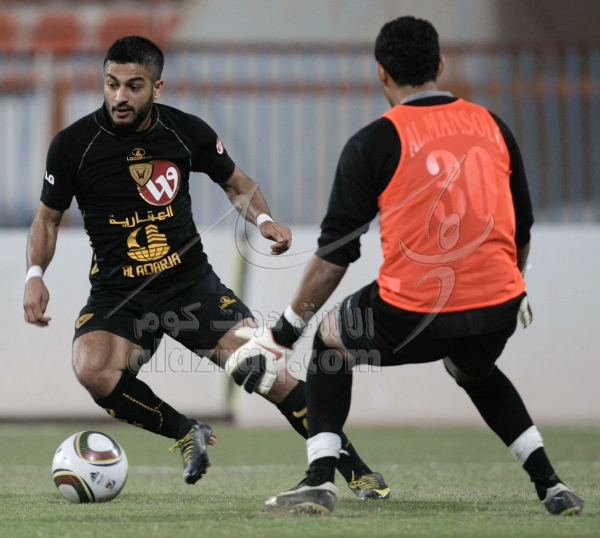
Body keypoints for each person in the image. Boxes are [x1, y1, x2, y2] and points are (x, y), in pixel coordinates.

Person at [231, 17, 584, 515]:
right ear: (440, 63)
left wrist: (282, 336)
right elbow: (521, 228)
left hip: (413, 312)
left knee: (330, 341)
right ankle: (551, 484)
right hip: (498, 306)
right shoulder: (494, 126)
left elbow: (335, 257)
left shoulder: (374, 142)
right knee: (474, 367)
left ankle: (319, 480)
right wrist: (515, 285)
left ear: (381, 72)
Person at [22, 35, 389, 499]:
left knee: (264, 371)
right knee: (91, 367)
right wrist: (35, 275)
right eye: (112, 84)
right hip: (120, 293)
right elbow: (47, 220)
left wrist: (264, 220)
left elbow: (236, 183)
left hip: (190, 286)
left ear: (157, 87)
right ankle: (185, 432)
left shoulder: (184, 131)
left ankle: (357, 471)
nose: (120, 97)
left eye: (134, 86)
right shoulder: (73, 145)